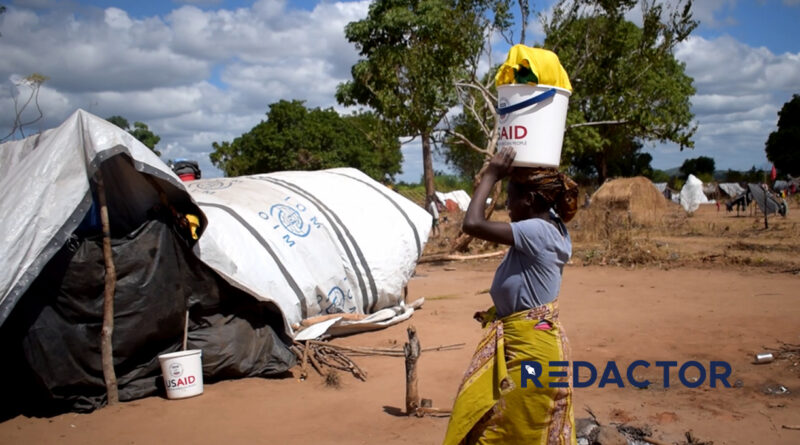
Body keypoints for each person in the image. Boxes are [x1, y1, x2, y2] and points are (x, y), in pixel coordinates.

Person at [443, 147, 578, 445]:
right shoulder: (551, 226)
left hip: (531, 351)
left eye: (510, 198)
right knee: (513, 426)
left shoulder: (538, 231)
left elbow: (472, 224)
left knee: (508, 427)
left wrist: (490, 175)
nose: (507, 206)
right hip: (532, 343)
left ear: (529, 200)